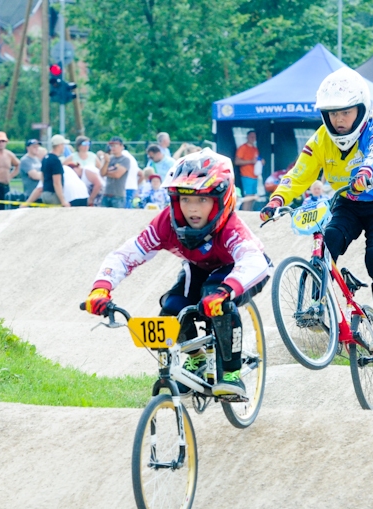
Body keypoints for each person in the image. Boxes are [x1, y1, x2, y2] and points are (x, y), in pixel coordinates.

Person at [84, 149, 272, 397]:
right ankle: (196, 359)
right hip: (198, 268)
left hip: (239, 271)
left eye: (202, 200)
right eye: (185, 199)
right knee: (172, 310)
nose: (192, 208)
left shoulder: (231, 227)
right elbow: (125, 254)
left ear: (221, 198)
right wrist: (102, 287)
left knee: (214, 299)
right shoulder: (165, 223)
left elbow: (252, 261)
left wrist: (226, 290)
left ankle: (231, 373)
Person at [259, 66, 373, 353]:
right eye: (333, 113)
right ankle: (316, 304)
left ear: (361, 110)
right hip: (347, 203)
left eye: (346, 112)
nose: (339, 119)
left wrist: (365, 173)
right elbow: (299, 174)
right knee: (328, 243)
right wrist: (277, 200)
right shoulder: (321, 139)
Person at [36, 134, 71, 207]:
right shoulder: (55, 160)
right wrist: (63, 201)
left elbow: (42, 176)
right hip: (53, 194)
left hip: (45, 193)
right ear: (59, 145)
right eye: (63, 145)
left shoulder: (45, 158)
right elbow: (57, 182)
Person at [99, 137, 131, 208]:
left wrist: (106, 172)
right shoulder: (109, 159)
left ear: (122, 146)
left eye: (115, 145)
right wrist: (106, 162)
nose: (113, 148)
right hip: (106, 194)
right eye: (111, 146)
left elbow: (117, 174)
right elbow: (102, 173)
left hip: (118, 195)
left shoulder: (125, 160)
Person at [235, 130, 262, 198]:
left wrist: (261, 161)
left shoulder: (255, 149)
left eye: (254, 137)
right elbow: (237, 161)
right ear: (247, 137)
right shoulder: (243, 148)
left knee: (253, 198)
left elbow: (256, 160)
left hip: (255, 176)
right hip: (246, 176)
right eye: (251, 136)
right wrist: (251, 161)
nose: (253, 138)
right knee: (248, 197)